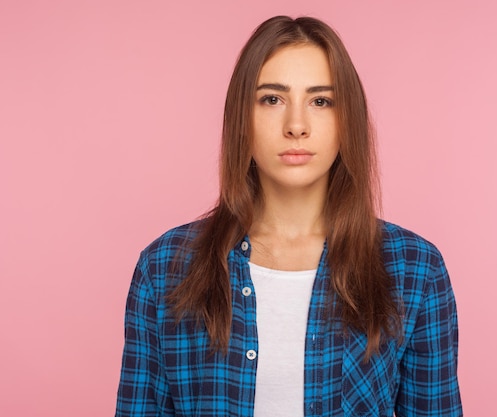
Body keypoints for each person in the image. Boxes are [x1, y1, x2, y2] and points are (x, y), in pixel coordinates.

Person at [115, 15, 462, 417]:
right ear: (241, 117)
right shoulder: (165, 267)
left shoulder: (415, 269)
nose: (296, 126)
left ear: (346, 118)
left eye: (320, 101)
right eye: (272, 99)